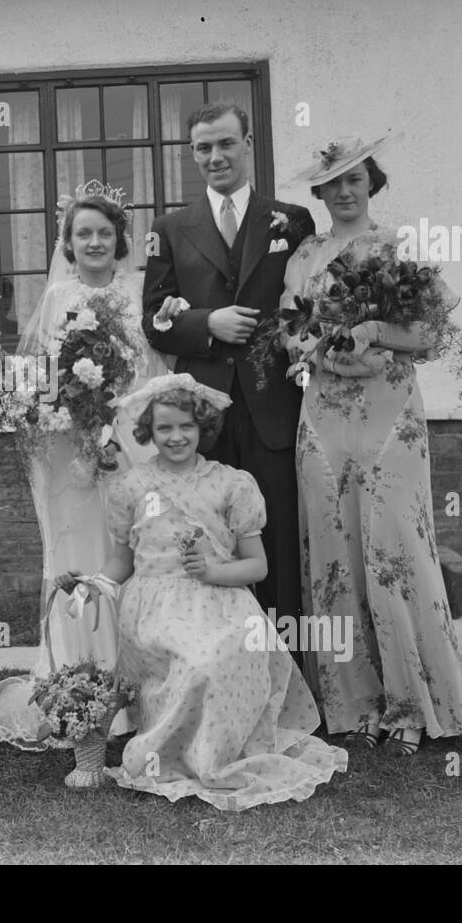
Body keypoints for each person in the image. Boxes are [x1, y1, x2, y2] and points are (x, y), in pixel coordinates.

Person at [280, 133, 462, 755]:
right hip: (322, 412)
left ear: (372, 183)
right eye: (331, 184)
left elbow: (429, 334)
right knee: (335, 550)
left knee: (396, 543)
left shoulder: (400, 246)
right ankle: (354, 704)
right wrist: (319, 348)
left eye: (355, 180)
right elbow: (289, 331)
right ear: (318, 193)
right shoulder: (305, 255)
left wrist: (374, 330)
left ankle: (414, 701)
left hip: (390, 412)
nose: (344, 193)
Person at [58, 373, 346, 810]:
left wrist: (213, 569)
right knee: (197, 663)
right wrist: (91, 584)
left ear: (203, 428)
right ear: (148, 433)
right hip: (155, 606)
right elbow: (122, 561)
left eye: (186, 427)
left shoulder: (232, 483)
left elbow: (258, 566)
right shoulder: (131, 487)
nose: (176, 437)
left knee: (229, 651)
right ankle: (178, 756)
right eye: (164, 428)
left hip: (221, 598)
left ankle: (218, 755)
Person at [0, 183, 168, 749]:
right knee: (76, 554)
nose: (95, 242)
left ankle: (138, 689)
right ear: (68, 243)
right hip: (69, 448)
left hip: (129, 442)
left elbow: (151, 370)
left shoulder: (138, 291)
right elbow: (42, 375)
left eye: (105, 232)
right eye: (84, 234)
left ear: (120, 239)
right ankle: (79, 688)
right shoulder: (57, 296)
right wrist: (58, 412)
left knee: (130, 553)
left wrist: (125, 425)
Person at [143, 103, 316, 660]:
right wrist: (206, 325)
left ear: (248, 145)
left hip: (273, 407)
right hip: (204, 416)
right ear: (192, 154)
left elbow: (309, 307)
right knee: (210, 537)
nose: (214, 157)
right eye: (202, 148)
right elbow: (154, 320)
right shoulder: (170, 228)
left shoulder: (291, 220)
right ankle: (217, 666)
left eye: (225, 144)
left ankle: (287, 676)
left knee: (276, 541)